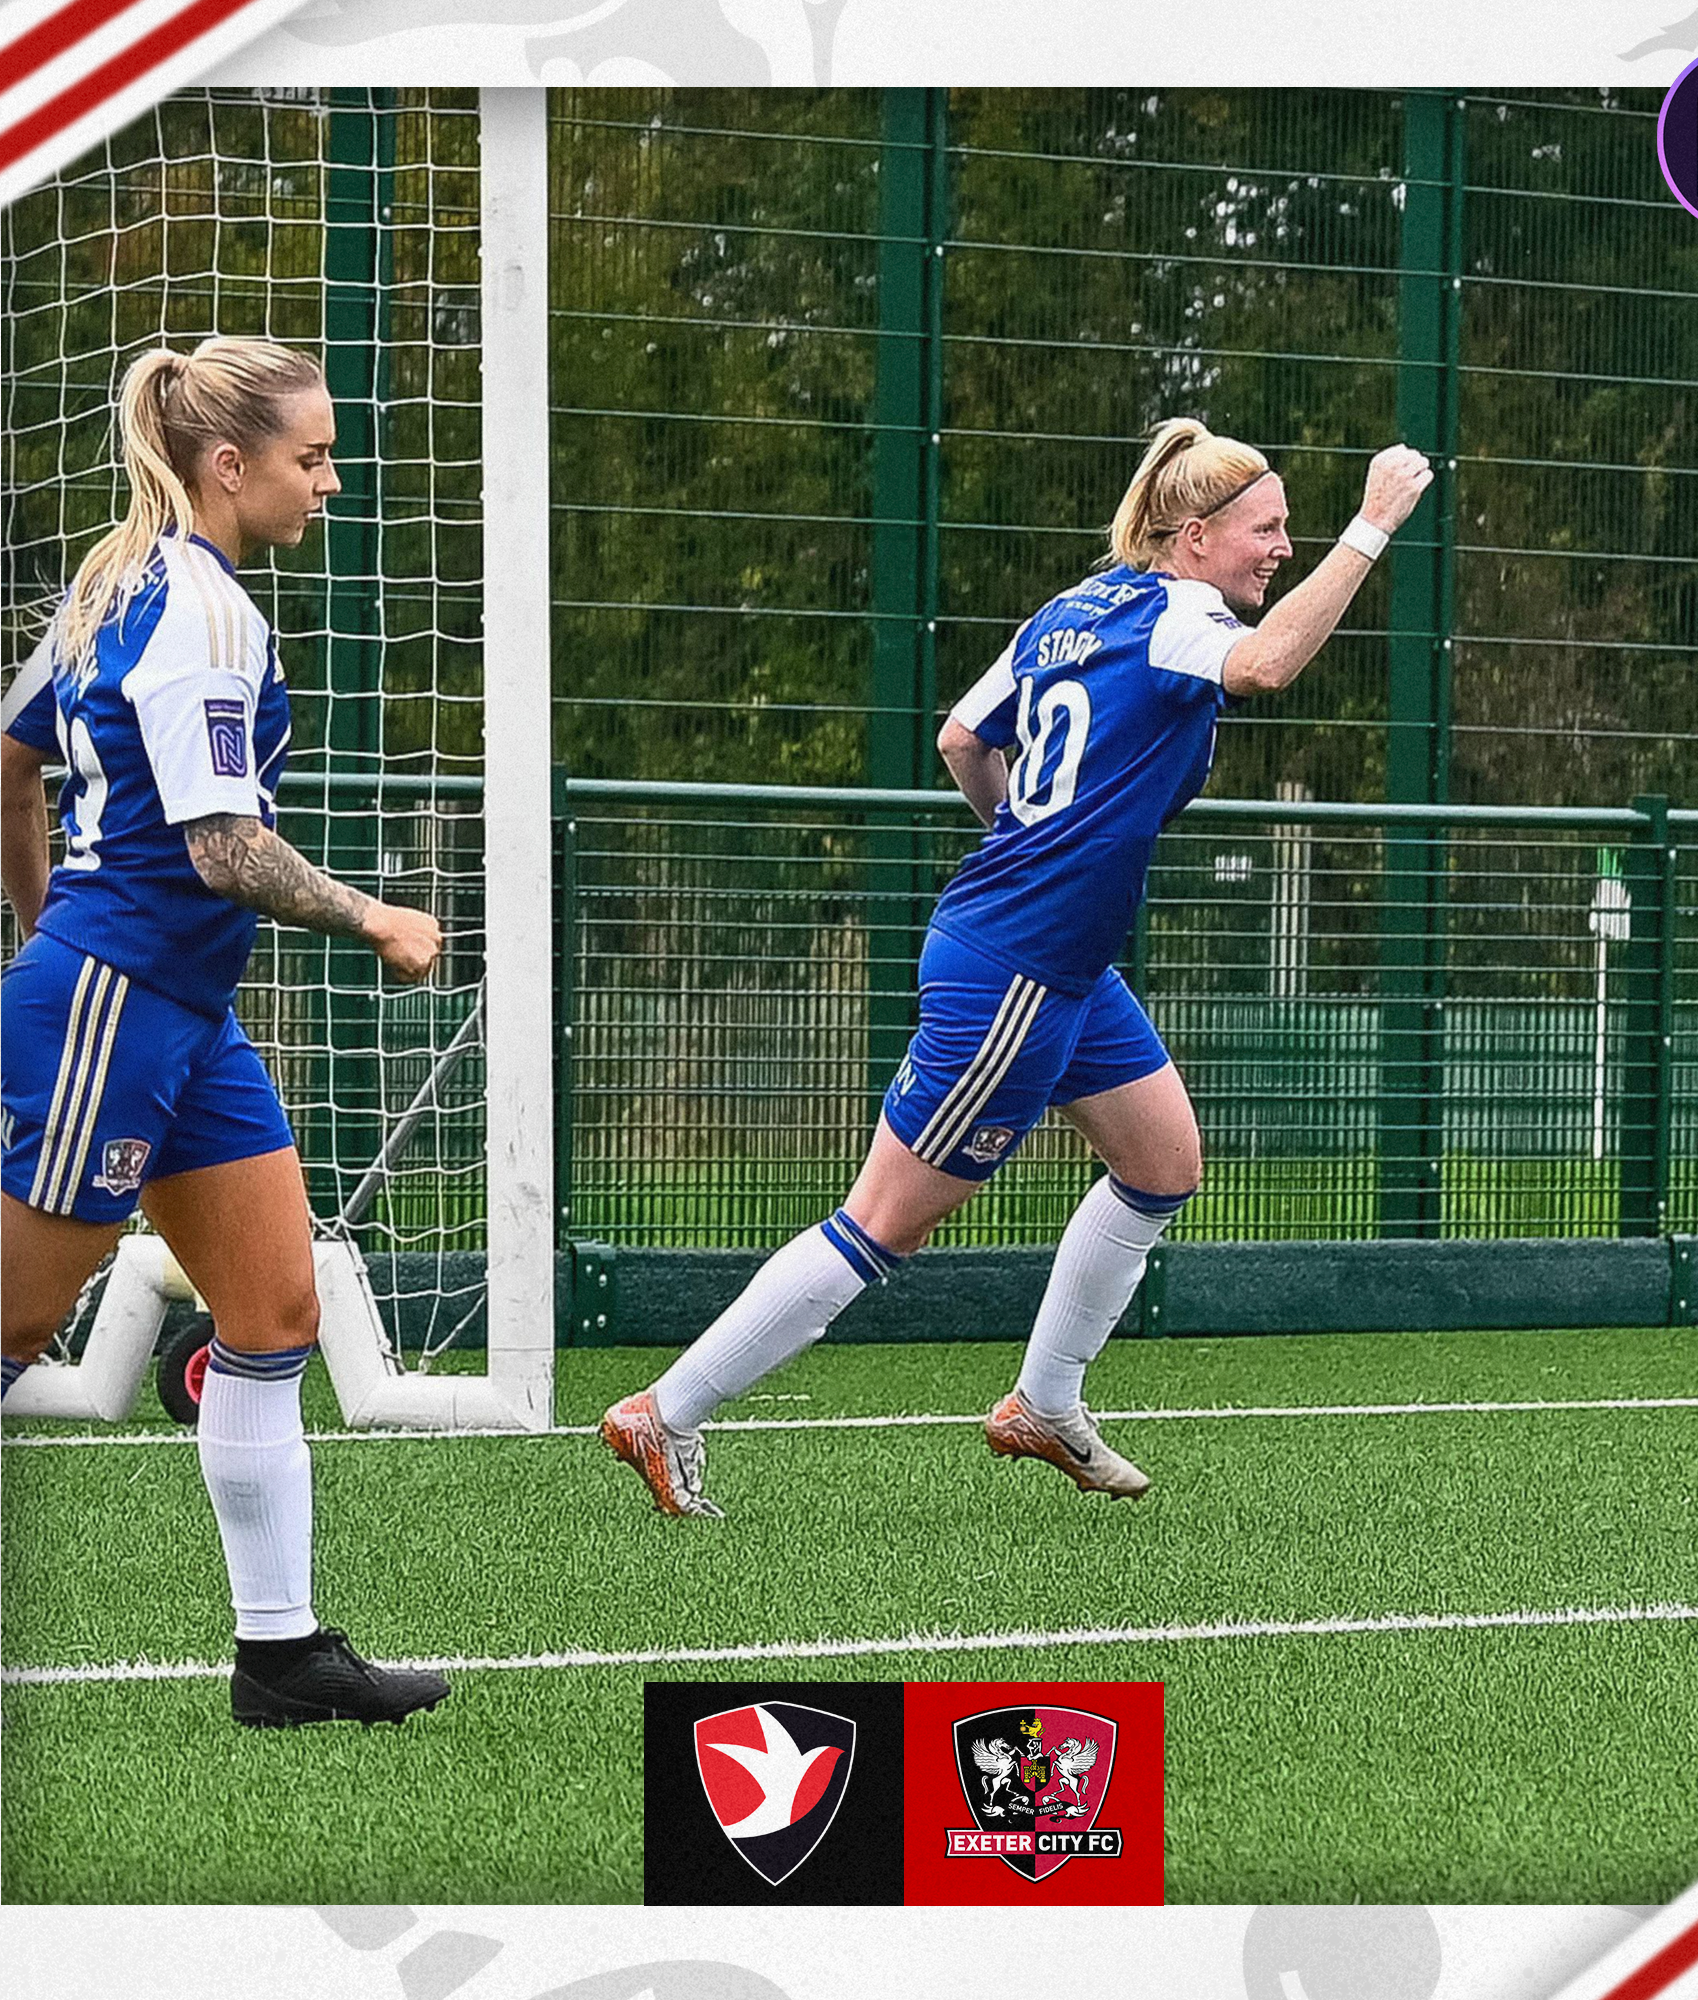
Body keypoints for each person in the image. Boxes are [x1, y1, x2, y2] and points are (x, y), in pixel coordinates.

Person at [601, 417, 1433, 1518]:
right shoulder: (1177, 615)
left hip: (1060, 960)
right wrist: (1371, 525)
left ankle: (1044, 1402)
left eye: (1289, 530)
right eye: (1264, 529)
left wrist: (1025, 837)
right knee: (884, 1218)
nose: (1280, 546)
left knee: (1163, 1161)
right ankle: (665, 1409)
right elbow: (1270, 662)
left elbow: (959, 737)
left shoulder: (1066, 612)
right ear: (1191, 538)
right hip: (1018, 965)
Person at [1, 336, 452, 1727]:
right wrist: (376, 915)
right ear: (229, 464)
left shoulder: (118, 582)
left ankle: (283, 1656)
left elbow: (13, 761)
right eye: (311, 458)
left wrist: (42, 925)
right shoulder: (193, 604)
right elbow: (219, 847)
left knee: (275, 1313)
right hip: (119, 1009)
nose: (330, 480)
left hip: (175, 1017)